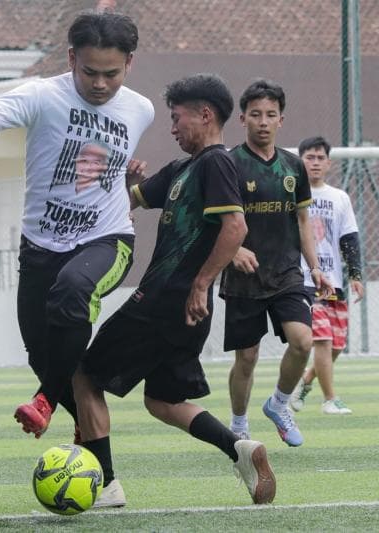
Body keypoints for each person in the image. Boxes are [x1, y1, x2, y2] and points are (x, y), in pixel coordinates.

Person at [0, 11, 154, 447]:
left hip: (108, 239)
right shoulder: (41, 96)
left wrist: (125, 177)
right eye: (89, 72)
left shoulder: (140, 109)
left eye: (112, 74)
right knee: (42, 354)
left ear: (129, 64)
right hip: (41, 247)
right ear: (70, 58)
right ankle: (94, 449)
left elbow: (103, 161)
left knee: (72, 291)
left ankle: (45, 401)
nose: (101, 84)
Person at [73, 73, 276, 507]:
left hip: (167, 300)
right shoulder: (182, 169)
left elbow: (235, 225)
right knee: (163, 400)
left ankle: (105, 484)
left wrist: (202, 282)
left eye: (176, 118)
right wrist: (116, 176)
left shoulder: (216, 163)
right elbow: (127, 200)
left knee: (85, 375)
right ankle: (239, 449)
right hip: (182, 311)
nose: (171, 127)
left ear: (205, 115)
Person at [218, 79, 333, 447]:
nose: (263, 121)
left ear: (281, 120)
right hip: (243, 278)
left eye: (270, 115)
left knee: (303, 341)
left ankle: (279, 404)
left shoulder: (294, 167)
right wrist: (233, 251)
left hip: (286, 273)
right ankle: (238, 425)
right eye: (256, 114)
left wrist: (314, 267)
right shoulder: (229, 164)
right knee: (247, 357)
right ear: (242, 119)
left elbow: (302, 222)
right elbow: (215, 222)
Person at [289, 136, 364, 415]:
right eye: (310, 157)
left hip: (334, 280)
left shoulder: (339, 197)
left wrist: (355, 274)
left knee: (337, 345)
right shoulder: (292, 195)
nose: (315, 162)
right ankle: (330, 399)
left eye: (321, 158)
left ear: (329, 163)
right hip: (305, 281)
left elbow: (349, 238)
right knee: (322, 339)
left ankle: (306, 381)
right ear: (300, 161)